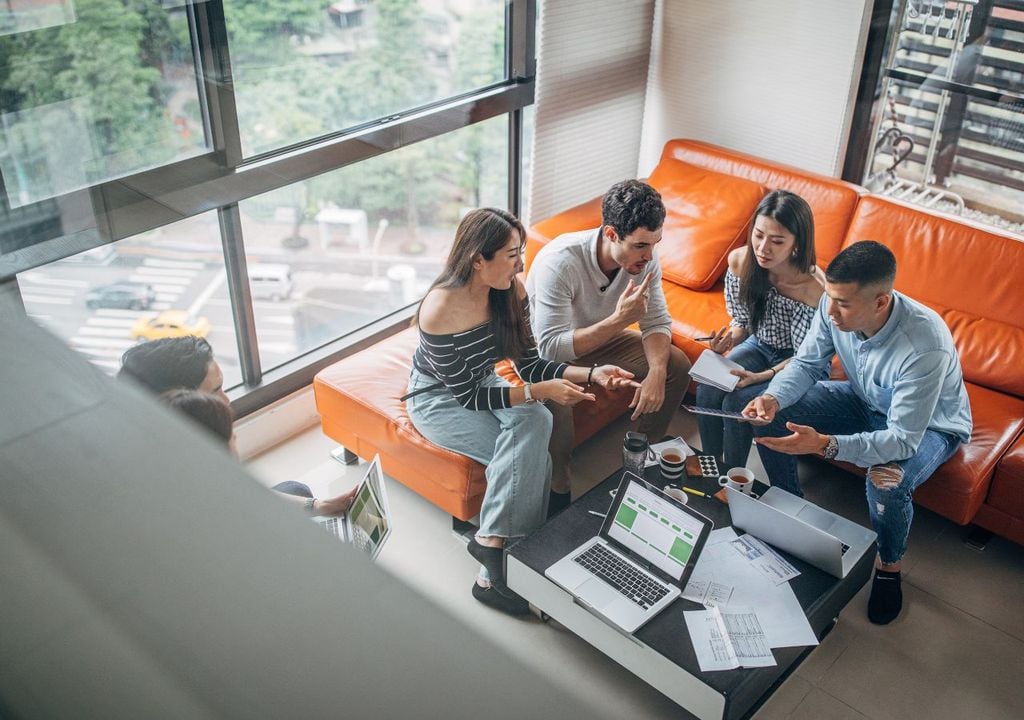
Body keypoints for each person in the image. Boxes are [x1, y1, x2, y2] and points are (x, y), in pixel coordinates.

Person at [406, 207, 638, 616]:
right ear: (479, 259)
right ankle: (503, 567)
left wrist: (593, 374)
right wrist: (536, 391)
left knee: (538, 418)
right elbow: (470, 398)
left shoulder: (512, 291)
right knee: (523, 443)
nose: (521, 262)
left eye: (521, 252)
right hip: (439, 399)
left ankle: (491, 545)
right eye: (512, 254)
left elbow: (530, 366)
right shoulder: (440, 308)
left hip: (485, 383)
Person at [741, 241, 972, 625]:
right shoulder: (832, 306)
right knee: (773, 412)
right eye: (830, 298)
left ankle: (889, 566)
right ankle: (791, 509)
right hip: (864, 398)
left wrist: (827, 445)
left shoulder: (924, 345)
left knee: (886, 481)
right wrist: (773, 398)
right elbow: (808, 362)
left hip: (929, 425)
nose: (830, 311)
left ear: (881, 302)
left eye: (843, 304)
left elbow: (901, 439)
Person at [525, 180, 691, 504]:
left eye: (655, 244)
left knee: (676, 364)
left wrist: (656, 372)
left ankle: (639, 461)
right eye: (641, 245)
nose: (649, 255)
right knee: (559, 399)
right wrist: (618, 319)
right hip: (553, 354)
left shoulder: (645, 261)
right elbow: (550, 349)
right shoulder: (560, 263)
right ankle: (558, 487)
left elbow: (656, 321)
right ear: (612, 234)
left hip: (598, 340)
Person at [121, 339, 355, 516]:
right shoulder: (174, 492)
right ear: (183, 402)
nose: (227, 400)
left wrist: (317, 506)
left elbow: (239, 492)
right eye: (215, 392)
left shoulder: (164, 441)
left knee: (297, 490)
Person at [695, 190, 824, 470]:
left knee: (738, 401)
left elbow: (805, 359)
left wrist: (761, 377)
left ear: (797, 245)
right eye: (758, 234)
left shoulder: (813, 288)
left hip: (797, 361)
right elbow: (742, 323)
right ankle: (709, 464)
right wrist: (727, 340)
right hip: (760, 344)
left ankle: (732, 477)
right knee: (708, 385)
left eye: (777, 241)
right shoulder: (741, 261)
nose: (763, 248)